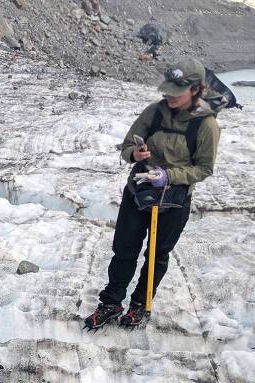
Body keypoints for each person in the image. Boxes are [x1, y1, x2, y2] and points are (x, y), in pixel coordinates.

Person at [84, 59, 222, 330]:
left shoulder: (206, 126)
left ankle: (140, 305)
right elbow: (126, 145)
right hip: (139, 191)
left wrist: (170, 176)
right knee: (124, 249)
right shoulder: (154, 113)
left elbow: (204, 168)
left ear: (195, 89)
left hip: (174, 201)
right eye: (167, 90)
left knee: (157, 255)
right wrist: (135, 154)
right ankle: (111, 302)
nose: (169, 95)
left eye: (176, 91)